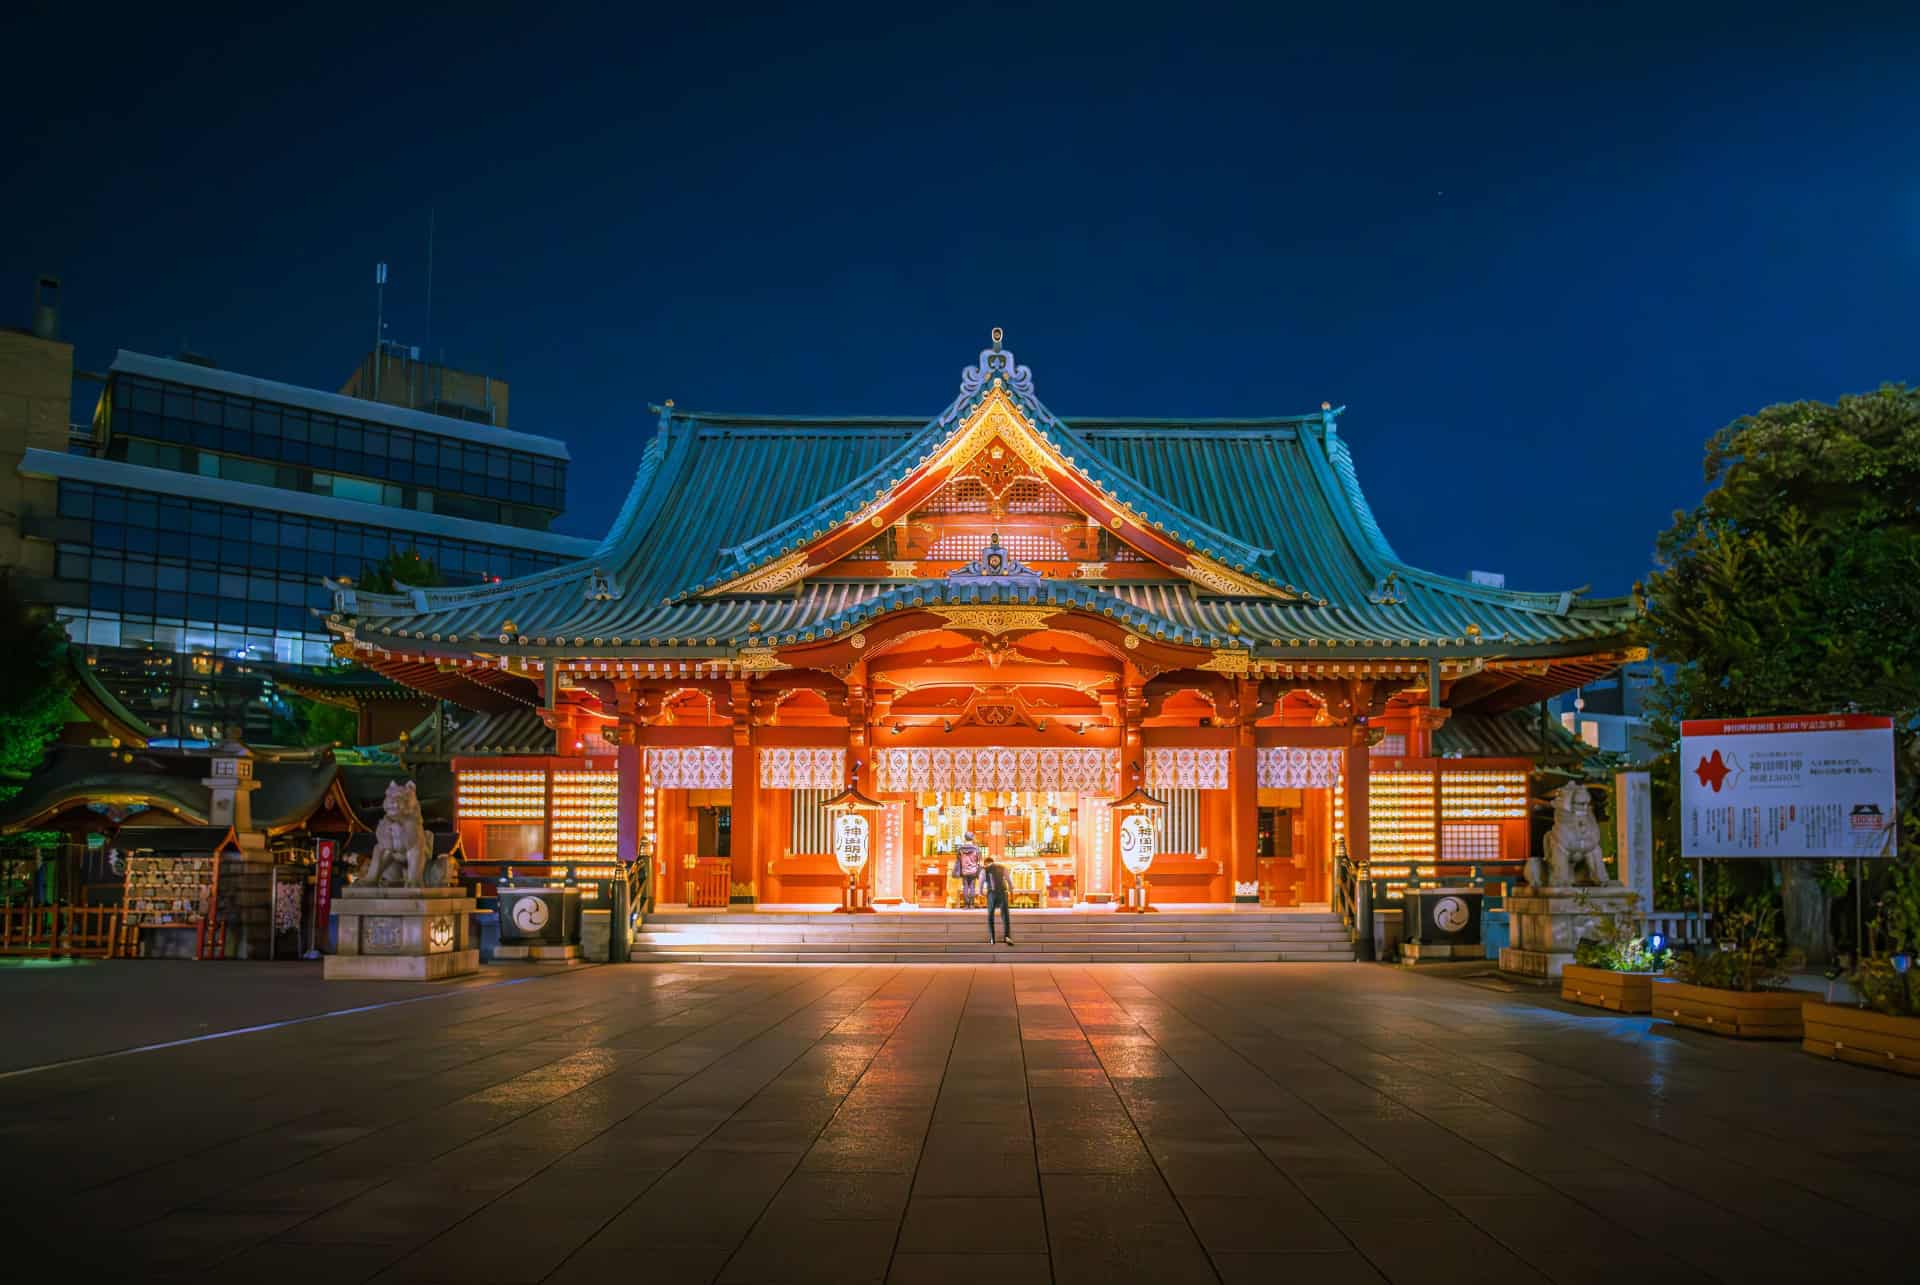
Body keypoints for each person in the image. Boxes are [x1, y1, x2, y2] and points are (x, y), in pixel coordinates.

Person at [983, 853, 1013, 946]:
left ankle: (992, 938)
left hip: (991, 893)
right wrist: (1011, 889)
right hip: (1003, 893)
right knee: (1005, 915)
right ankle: (1007, 936)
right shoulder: (1003, 868)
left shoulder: (985, 870)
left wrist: (981, 891)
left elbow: (981, 883)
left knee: (990, 915)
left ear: (986, 863)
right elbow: (1009, 880)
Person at [952, 834, 983, 909]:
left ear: (965, 838)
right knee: (972, 887)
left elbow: (958, 860)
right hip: (973, 870)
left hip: (964, 870)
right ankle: (972, 904)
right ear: (972, 838)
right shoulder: (976, 849)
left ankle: (966, 905)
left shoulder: (960, 849)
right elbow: (979, 860)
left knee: (965, 887)